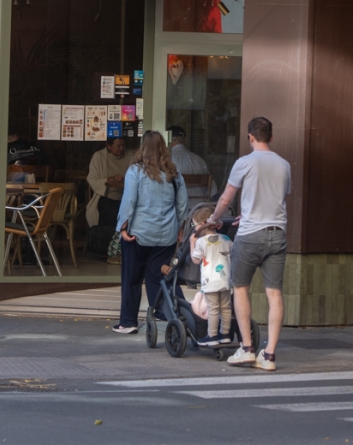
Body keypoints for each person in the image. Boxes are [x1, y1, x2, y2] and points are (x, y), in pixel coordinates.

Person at [208, 116, 290, 371]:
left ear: (250, 137)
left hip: (251, 234)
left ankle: (247, 348)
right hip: (277, 234)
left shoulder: (244, 162)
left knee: (240, 287)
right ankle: (270, 355)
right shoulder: (284, 165)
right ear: (271, 137)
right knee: (274, 293)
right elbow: (276, 198)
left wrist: (212, 219)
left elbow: (225, 199)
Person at [112, 130, 188, 334]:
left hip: (139, 234)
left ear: (142, 148)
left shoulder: (135, 171)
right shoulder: (174, 173)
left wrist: (123, 228)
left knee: (132, 278)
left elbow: (129, 201)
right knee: (159, 276)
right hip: (166, 236)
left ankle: (128, 322)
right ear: (164, 148)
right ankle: (169, 314)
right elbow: (182, 205)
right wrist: (180, 229)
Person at [189, 204, 233, 346]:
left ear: (202, 225)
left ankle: (212, 336)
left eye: (194, 225)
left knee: (213, 309)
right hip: (225, 280)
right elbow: (234, 253)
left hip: (210, 282)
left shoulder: (201, 242)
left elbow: (195, 260)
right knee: (226, 308)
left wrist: (192, 243)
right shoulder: (226, 238)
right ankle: (225, 334)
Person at [85, 136, 132, 229]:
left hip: (125, 197)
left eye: (123, 145)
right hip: (106, 197)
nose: (121, 148)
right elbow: (92, 179)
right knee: (110, 212)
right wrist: (110, 179)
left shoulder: (130, 156)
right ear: (109, 145)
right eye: (118, 146)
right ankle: (111, 239)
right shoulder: (99, 157)